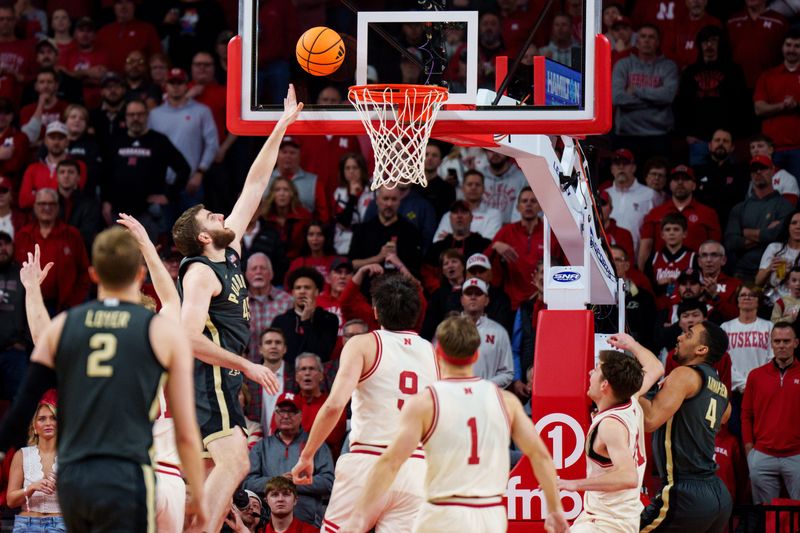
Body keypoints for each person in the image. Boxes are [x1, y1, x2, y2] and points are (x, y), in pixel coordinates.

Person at [0, 226, 207, 531]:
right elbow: (188, 434)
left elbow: (39, 345)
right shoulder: (158, 332)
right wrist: (200, 498)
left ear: (93, 274)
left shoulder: (67, 326)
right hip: (135, 473)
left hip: (78, 476)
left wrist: (32, 289)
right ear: (139, 276)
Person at [172, 84, 301, 532]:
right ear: (203, 237)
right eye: (212, 217)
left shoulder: (227, 252)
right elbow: (188, 338)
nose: (221, 216)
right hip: (208, 376)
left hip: (219, 377)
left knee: (214, 475)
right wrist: (245, 367)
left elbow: (254, 183)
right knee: (237, 463)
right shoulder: (200, 273)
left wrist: (281, 126)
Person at [339, 316, 569, 533]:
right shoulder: (505, 401)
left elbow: (390, 462)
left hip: (443, 511)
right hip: (489, 513)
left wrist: (359, 515)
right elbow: (540, 456)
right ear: (477, 354)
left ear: (438, 353)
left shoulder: (426, 402)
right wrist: (555, 508)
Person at [291, 274, 439, 531]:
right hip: (415, 467)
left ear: (376, 311)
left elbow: (335, 405)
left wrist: (307, 455)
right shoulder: (432, 352)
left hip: (370, 461)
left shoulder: (363, 344)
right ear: (416, 313)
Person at [558, 333, 664, 533]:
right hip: (611, 514)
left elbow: (628, 476)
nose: (590, 372)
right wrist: (631, 344)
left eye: (596, 369)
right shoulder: (630, 396)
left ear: (605, 385)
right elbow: (656, 367)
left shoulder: (610, 425)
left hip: (609, 523)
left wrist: (575, 484)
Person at [638, 320, 732, 532]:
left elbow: (650, 420)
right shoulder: (722, 390)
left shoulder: (685, 374)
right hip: (717, 493)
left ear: (701, 349)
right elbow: (724, 417)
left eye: (688, 335)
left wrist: (631, 386)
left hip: (685, 492)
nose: (679, 337)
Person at [244, 392, 334, 527]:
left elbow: (328, 482)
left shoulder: (316, 444)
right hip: (268, 523)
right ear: (275, 414)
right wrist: (278, 482)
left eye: (292, 411)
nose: (286, 416)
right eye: (281, 411)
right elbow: (248, 483)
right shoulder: (261, 446)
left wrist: (295, 482)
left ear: (301, 415)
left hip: (309, 522)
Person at [741, 321, 800, 504]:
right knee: (766, 516)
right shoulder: (755, 376)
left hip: (797, 454)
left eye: (786, 341)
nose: (782, 346)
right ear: (771, 343)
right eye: (777, 341)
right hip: (762, 455)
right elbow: (746, 415)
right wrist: (750, 450)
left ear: (796, 343)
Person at [148, 67, 218, 209]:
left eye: (179, 82)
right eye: (171, 82)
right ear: (165, 86)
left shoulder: (202, 111)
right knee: (163, 229)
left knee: (193, 230)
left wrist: (200, 172)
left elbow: (212, 143)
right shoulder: (154, 114)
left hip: (191, 182)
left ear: (187, 85)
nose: (175, 86)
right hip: (162, 183)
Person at [611, 24, 679, 165]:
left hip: (659, 136)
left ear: (658, 42)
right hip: (626, 135)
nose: (647, 40)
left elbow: (668, 96)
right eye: (643, 36)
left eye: (651, 37)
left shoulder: (668, 66)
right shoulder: (623, 65)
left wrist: (636, 91)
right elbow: (617, 98)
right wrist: (654, 100)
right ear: (637, 41)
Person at [14, 189, 90, 313]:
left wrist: (74, 303)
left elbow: (84, 273)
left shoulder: (72, 235)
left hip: (65, 309)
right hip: (28, 307)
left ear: (58, 207)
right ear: (34, 206)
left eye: (51, 204)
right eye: (42, 204)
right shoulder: (23, 235)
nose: (47, 208)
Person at [638, 165, 720, 272]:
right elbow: (645, 249)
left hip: (695, 276)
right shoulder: (655, 213)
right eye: (676, 179)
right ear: (670, 184)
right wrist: (641, 277)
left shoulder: (708, 213)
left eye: (685, 179)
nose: (680, 183)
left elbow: (715, 249)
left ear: (694, 185)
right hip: (661, 274)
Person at [725, 155, 794, 280]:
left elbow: (781, 235)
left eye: (763, 168)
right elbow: (731, 243)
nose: (758, 172)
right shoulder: (739, 208)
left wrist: (745, 232)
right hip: (742, 272)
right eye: (754, 170)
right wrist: (767, 232)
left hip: (775, 273)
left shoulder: (785, 206)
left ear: (773, 170)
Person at [5, 394, 62, 532]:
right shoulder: (22, 455)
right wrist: (31, 488)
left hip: (60, 523)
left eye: (53, 418)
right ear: (35, 427)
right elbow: (11, 501)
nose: (48, 423)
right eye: (42, 419)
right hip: (27, 523)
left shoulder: (69, 456)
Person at [754, 29, 800, 179]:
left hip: (799, 148)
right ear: (782, 47)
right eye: (788, 45)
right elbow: (758, 109)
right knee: (772, 196)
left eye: (797, 46)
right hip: (772, 149)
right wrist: (782, 106)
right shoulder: (768, 76)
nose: (791, 50)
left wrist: (796, 105)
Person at [272, 267, 339, 366]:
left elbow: (323, 354)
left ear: (316, 292)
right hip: (287, 377)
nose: (302, 291)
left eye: (307, 288)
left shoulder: (329, 319)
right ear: (293, 293)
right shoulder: (281, 321)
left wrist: (306, 322)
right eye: (298, 288)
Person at [459, 278, 513, 388]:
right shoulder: (448, 329)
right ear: (462, 300)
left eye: (478, 293)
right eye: (469, 293)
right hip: (454, 396)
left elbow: (507, 373)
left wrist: (484, 386)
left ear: (487, 300)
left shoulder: (499, 332)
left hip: (487, 399)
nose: (473, 297)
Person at [604, 148, 659, 253]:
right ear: (611, 169)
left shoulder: (650, 194)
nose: (621, 167)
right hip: (607, 254)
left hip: (637, 256)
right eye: (617, 163)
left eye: (625, 163)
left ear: (633, 168)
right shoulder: (605, 194)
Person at [245, 253, 293, 365]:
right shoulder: (237, 303)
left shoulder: (288, 301)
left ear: (271, 274)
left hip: (279, 371)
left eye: (263, 268)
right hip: (247, 371)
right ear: (247, 275)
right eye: (254, 268)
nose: (258, 272)